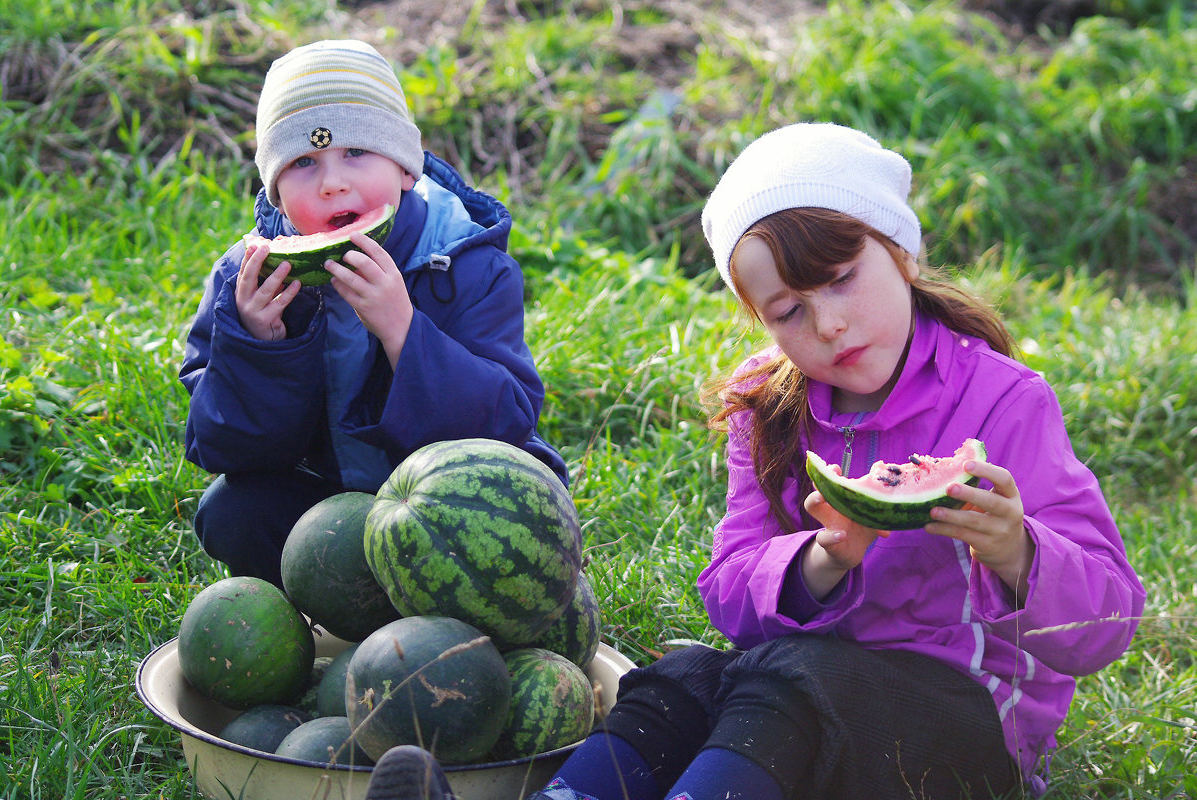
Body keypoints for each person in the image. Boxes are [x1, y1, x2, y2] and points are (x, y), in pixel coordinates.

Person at [360, 122, 1146, 800]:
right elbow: (730, 596)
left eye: (842, 279)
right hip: (799, 693)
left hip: (972, 729)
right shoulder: (770, 411)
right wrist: (824, 559)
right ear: (759, 320)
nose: (830, 325)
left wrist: (1016, 550)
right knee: (682, 678)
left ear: (903, 253)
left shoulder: (1006, 401)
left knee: (792, 679)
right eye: (790, 311)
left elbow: (1106, 624)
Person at [179, 40, 566, 587]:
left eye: (356, 153)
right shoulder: (245, 281)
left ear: (406, 170)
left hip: (450, 513)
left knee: (522, 520)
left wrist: (404, 333)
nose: (333, 181)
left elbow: (506, 421)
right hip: (330, 507)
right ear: (276, 193)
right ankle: (328, 615)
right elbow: (222, 445)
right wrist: (261, 347)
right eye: (304, 162)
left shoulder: (469, 264)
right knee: (233, 512)